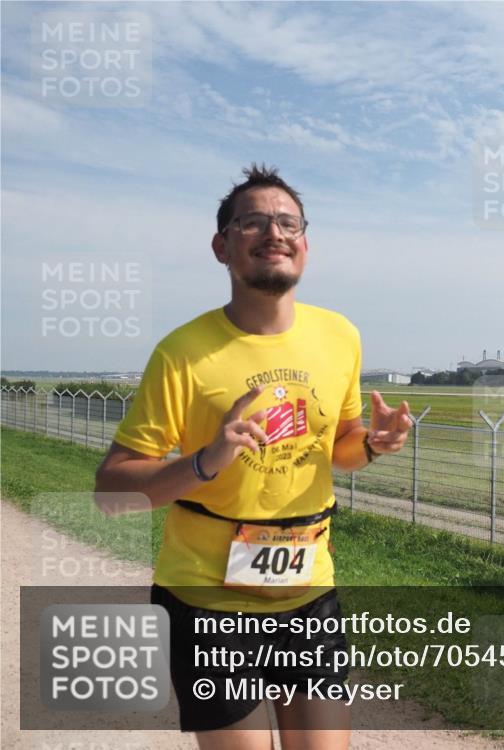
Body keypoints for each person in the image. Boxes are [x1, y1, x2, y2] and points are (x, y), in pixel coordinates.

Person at [94, 164, 411, 750]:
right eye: (253, 222)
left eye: (288, 222)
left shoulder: (340, 335)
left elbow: (337, 445)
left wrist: (371, 443)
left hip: (309, 592)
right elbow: (112, 489)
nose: (275, 232)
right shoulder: (183, 353)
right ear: (222, 246)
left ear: (305, 246)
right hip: (205, 602)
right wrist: (205, 461)